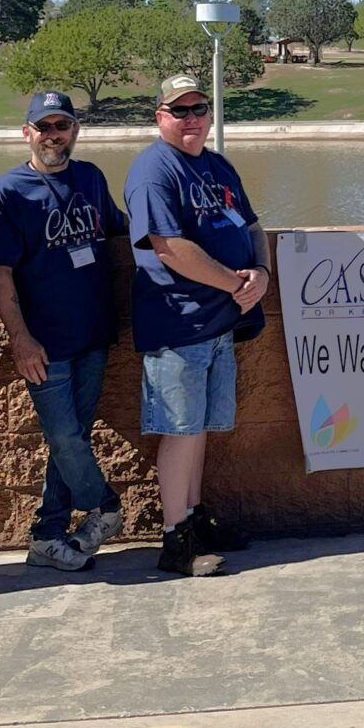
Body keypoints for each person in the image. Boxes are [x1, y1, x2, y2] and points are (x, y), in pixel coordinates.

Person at [0, 91, 128, 573]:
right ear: (27, 133)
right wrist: (20, 338)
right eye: (44, 127)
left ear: (75, 130)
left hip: (93, 335)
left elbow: (121, 230)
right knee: (63, 437)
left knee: (74, 437)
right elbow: (0, 274)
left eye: (62, 126)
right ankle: (106, 507)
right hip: (44, 343)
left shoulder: (91, 177)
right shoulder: (8, 192)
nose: (53, 135)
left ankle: (47, 535)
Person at [126, 74, 268, 576]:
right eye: (179, 111)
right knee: (181, 431)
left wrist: (261, 272)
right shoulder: (152, 171)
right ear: (159, 117)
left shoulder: (217, 165)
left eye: (198, 109)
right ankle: (175, 539)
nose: (191, 119)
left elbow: (252, 226)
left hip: (220, 323)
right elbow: (168, 247)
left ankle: (194, 516)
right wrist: (235, 283)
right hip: (179, 324)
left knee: (200, 429)